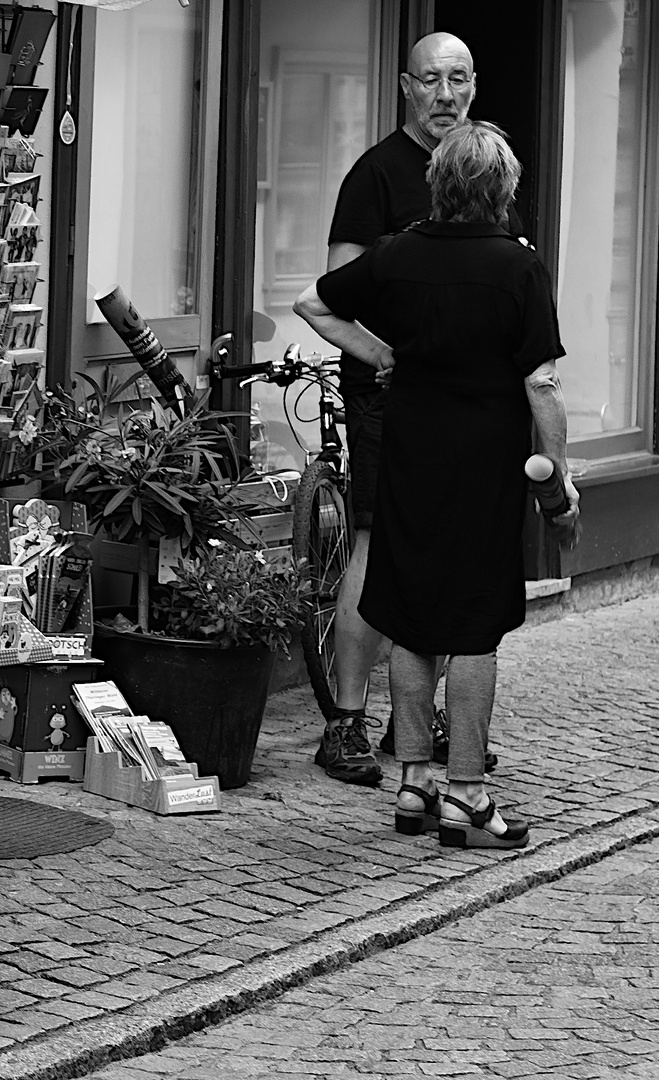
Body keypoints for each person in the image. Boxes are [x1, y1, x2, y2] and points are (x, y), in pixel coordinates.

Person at [295, 121, 579, 849]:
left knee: (413, 615)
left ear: (437, 184)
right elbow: (540, 387)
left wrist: (381, 354)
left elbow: (314, 304)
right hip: (482, 466)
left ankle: (414, 783)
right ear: (503, 189)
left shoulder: (396, 256)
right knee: (475, 628)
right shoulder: (519, 268)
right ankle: (468, 796)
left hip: (408, 456)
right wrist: (559, 485)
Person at [317, 31, 517, 786]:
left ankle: (420, 726)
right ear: (405, 86)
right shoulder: (376, 175)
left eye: (457, 78)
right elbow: (334, 289)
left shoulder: (481, 170)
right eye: (430, 80)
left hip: (465, 414)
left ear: (473, 84)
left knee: (442, 559)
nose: (445, 94)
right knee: (378, 551)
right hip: (389, 404)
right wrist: (383, 358)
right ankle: (344, 721)